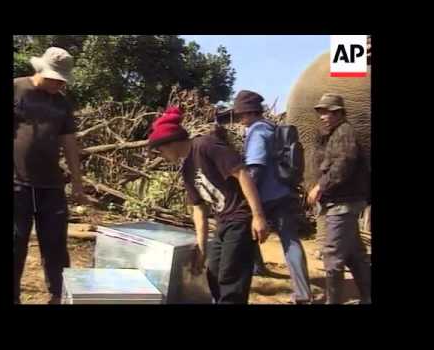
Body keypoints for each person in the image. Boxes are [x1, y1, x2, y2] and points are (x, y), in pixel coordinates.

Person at [147, 106, 269, 304]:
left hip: (241, 218)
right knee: (213, 276)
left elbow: (242, 173)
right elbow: (199, 209)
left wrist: (258, 216)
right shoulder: (187, 168)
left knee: (231, 277)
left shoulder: (206, 145)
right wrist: (202, 249)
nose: (161, 155)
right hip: (223, 222)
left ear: (171, 143)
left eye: (160, 150)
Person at [14, 47, 87, 304]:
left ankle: (59, 295)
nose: (59, 83)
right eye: (55, 78)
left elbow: (69, 144)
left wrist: (77, 182)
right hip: (17, 183)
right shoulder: (17, 89)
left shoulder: (62, 103)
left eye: (62, 79)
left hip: (51, 185)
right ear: (41, 70)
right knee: (15, 242)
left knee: (56, 244)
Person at [231, 90, 312, 304]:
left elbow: (255, 168)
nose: (239, 120)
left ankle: (255, 271)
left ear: (247, 113)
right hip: (284, 192)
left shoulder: (257, 132)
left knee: (248, 230)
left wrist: (246, 196)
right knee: (291, 241)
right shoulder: (271, 129)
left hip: (265, 196)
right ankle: (303, 293)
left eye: (239, 115)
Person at [307, 93, 371, 304]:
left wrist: (320, 186)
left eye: (329, 112)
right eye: (322, 112)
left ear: (340, 113)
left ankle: (333, 301)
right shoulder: (334, 133)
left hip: (343, 203)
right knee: (354, 255)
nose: (324, 116)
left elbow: (343, 165)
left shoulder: (345, 133)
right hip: (343, 202)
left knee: (332, 254)